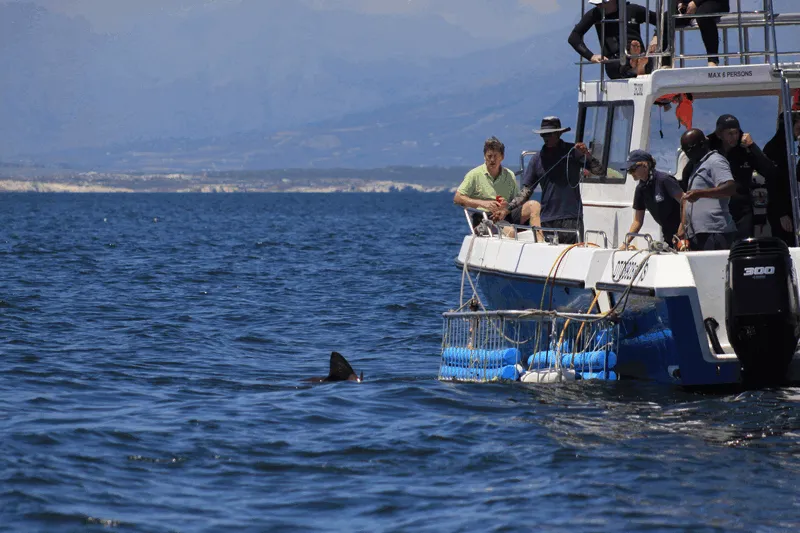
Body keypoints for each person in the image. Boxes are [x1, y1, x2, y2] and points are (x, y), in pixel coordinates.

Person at [506, 117, 606, 244]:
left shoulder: (573, 152)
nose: (546, 138)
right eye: (543, 135)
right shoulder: (537, 160)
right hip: (548, 219)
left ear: (559, 134)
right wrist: (507, 209)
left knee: (573, 255)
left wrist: (586, 154)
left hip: (571, 218)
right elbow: (526, 191)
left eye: (549, 134)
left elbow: (600, 171)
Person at [705, 114, 776, 240]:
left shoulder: (745, 151)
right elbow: (689, 173)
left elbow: (769, 171)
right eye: (730, 134)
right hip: (715, 210)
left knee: (743, 247)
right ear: (719, 134)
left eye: (736, 133)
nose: (734, 137)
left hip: (741, 210)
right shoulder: (708, 150)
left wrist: (753, 146)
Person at [454, 136, 541, 235]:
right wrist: (483, 203)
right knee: (511, 232)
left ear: (502, 157)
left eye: (496, 156)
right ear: (484, 156)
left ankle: (540, 240)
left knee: (534, 205)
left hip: (505, 215)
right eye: (489, 156)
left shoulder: (509, 175)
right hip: (484, 218)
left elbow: (516, 202)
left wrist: (506, 206)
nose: (492, 160)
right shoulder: (474, 175)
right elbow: (457, 198)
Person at [568, 0, 660, 80]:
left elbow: (662, 21)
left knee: (645, 56)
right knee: (620, 63)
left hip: (641, 56)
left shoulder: (633, 10)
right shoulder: (595, 14)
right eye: (596, 4)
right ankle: (636, 66)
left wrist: (656, 38)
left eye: (603, 3)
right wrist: (591, 56)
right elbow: (574, 37)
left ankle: (636, 63)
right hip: (614, 62)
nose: (599, 6)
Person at [680, 128, 738, 250]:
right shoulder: (697, 165)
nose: (687, 154)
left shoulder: (715, 161)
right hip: (699, 233)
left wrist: (700, 193)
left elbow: (730, 187)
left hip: (715, 233)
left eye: (689, 150)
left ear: (702, 145)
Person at [622, 150, 685, 248]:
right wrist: (625, 244)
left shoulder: (664, 180)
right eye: (628, 170)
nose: (631, 173)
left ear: (645, 165)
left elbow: (686, 201)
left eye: (633, 168)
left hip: (685, 233)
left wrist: (682, 228)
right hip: (669, 235)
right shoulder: (640, 189)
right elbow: (637, 221)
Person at [763, 111, 800, 246]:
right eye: (797, 129)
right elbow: (773, 182)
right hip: (782, 209)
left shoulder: (789, 147)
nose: (798, 133)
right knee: (786, 245)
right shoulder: (775, 148)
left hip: (791, 206)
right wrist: (782, 213)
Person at [670, 0, 730, 66]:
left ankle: (713, 60)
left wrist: (695, 3)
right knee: (666, 19)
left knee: (702, 15)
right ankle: (665, 64)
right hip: (689, 5)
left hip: (714, 2)